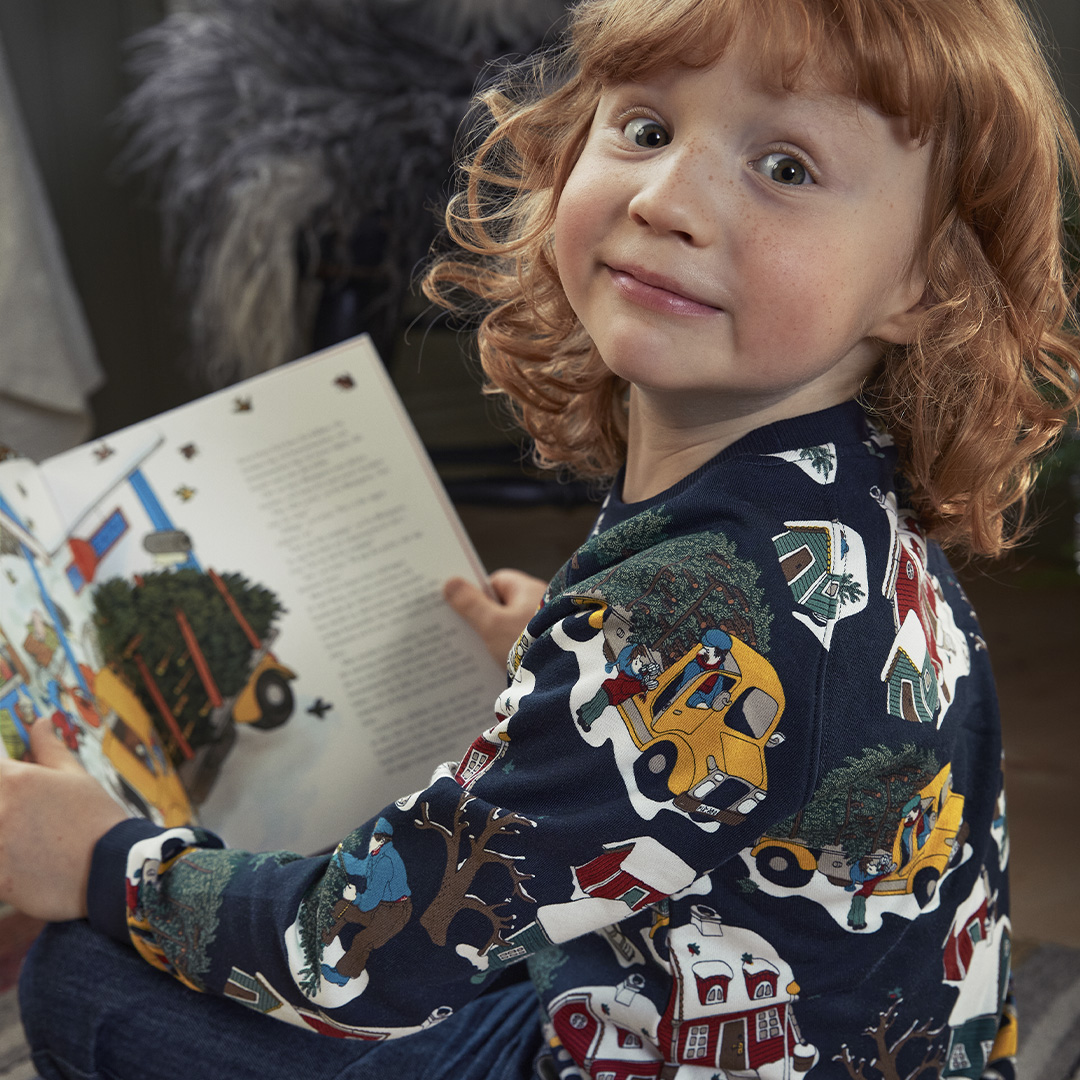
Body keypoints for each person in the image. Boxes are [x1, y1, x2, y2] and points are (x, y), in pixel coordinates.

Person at [3, 0, 1079, 1076]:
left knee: (78, 975)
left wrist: (107, 858)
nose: (667, 200)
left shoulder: (686, 616)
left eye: (787, 168)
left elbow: (353, 956)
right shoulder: (853, 519)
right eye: (647, 129)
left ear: (922, 282)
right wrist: (572, 671)